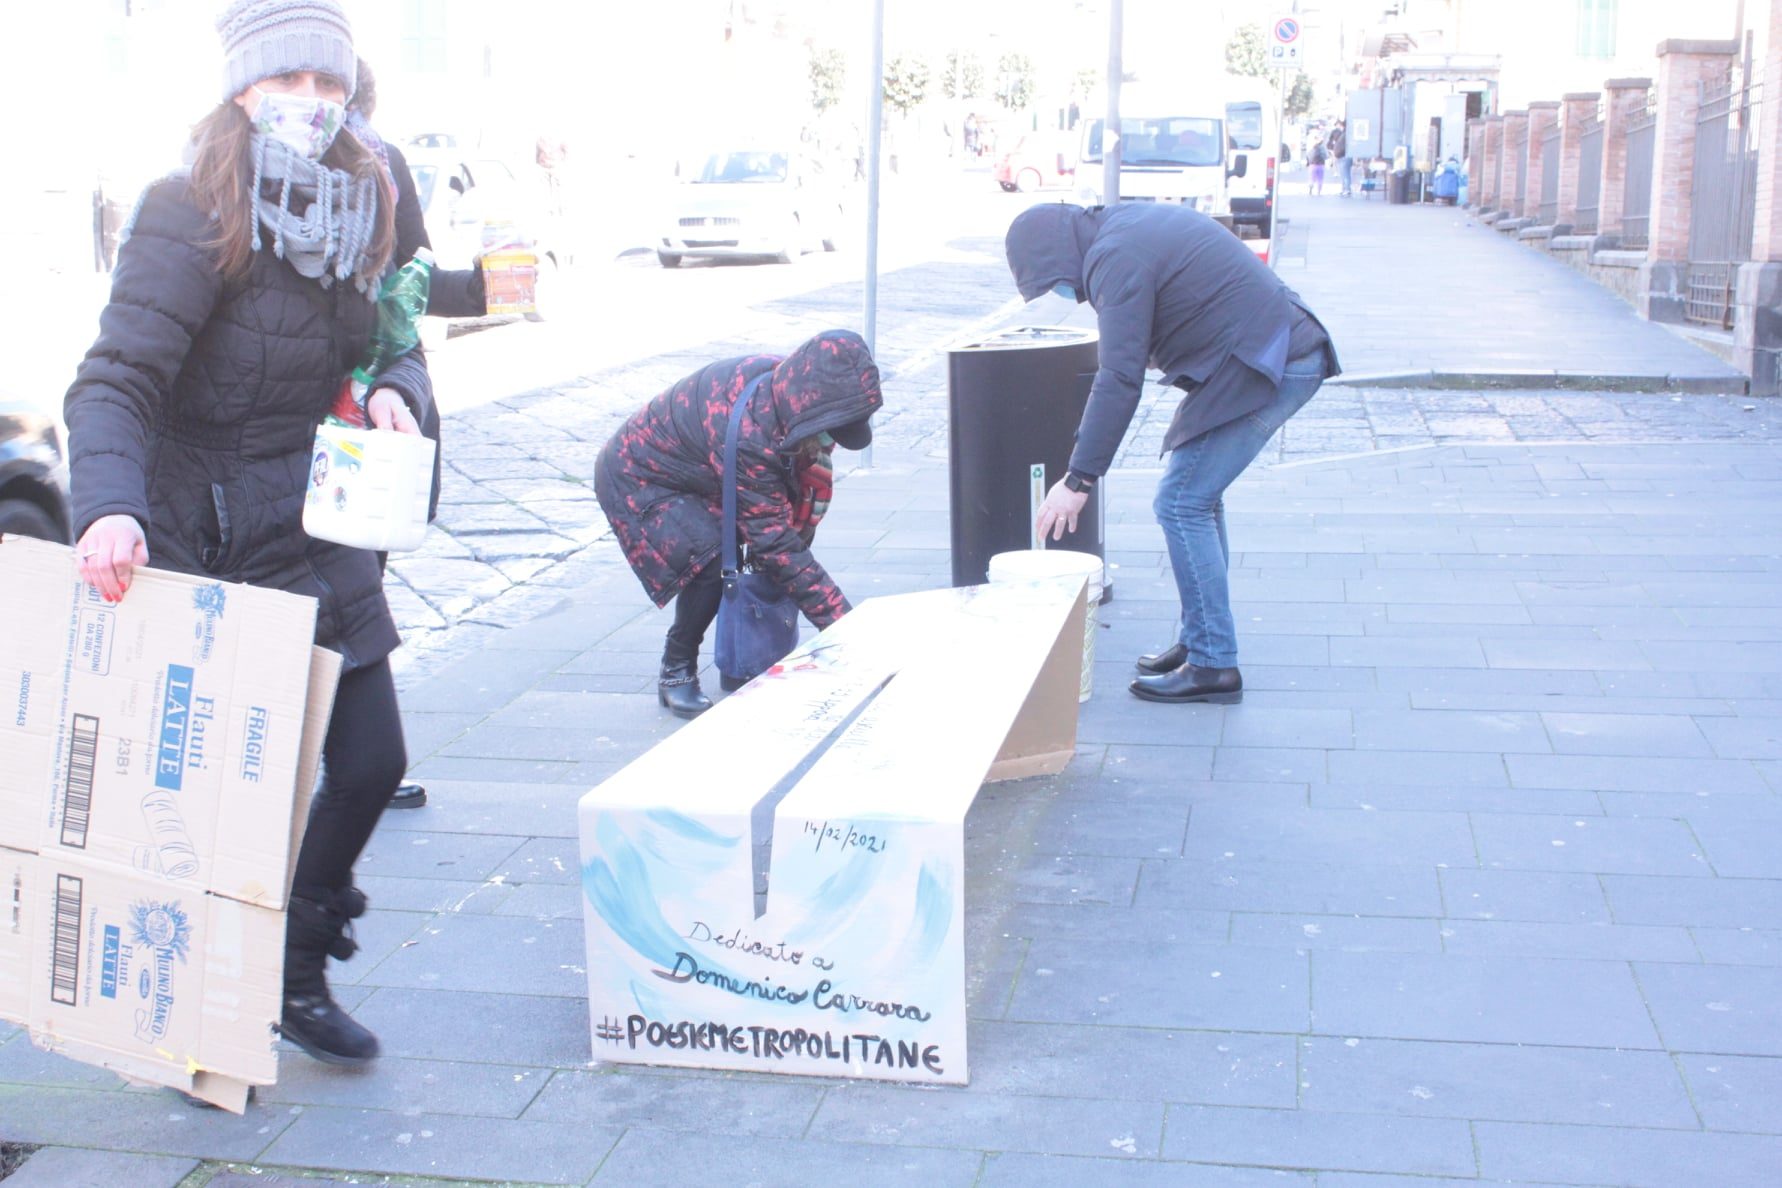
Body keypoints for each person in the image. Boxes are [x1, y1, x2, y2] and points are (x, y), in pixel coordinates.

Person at [64, 0, 427, 1066]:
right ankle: (197, 1019)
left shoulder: (368, 202)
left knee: (371, 762)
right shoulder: (189, 210)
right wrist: (110, 508)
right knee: (220, 806)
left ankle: (296, 965)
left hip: (315, 523)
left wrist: (398, 386)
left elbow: (393, 341)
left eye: (330, 86)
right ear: (242, 89)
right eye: (290, 83)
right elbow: (114, 381)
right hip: (204, 534)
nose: (312, 106)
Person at [1004, 203, 1340, 705]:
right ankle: (1200, 639)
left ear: (1055, 253)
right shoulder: (1121, 231)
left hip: (1274, 358)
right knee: (1198, 498)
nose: (1064, 294)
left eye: (1054, 282)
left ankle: (1213, 663)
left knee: (1182, 501)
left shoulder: (1113, 256)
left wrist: (1077, 482)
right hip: (1269, 349)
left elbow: (1118, 376)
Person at [594, 330, 883, 718]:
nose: (830, 442)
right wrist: (851, 634)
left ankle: (743, 655)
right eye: (831, 431)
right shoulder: (753, 435)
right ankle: (676, 671)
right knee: (711, 559)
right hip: (641, 474)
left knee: (757, 550)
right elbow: (778, 544)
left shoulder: (794, 391)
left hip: (700, 466)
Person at [345, 56, 486, 811]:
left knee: (356, 587)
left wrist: (485, 287)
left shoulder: (382, 164)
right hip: (351, 426)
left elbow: (413, 282)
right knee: (350, 590)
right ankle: (352, 759)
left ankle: (352, 760)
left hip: (370, 421)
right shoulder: (379, 157)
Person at [1328, 119, 1351, 197]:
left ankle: (1347, 189)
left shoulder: (1345, 134)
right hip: (1342, 156)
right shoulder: (1344, 134)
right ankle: (1344, 189)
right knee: (1343, 174)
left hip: (1344, 156)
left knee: (1345, 174)